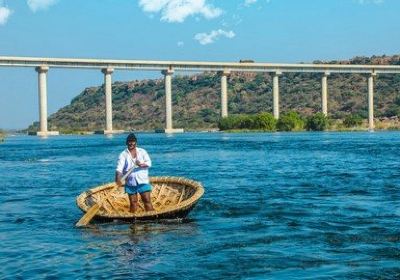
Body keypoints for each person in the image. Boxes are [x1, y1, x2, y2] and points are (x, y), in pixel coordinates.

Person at [115, 133, 155, 213]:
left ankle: (152, 218)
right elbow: (119, 168)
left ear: (136, 143)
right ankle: (133, 222)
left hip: (142, 181)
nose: (131, 143)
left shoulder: (142, 151)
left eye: (133, 141)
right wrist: (117, 179)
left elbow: (149, 163)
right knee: (133, 203)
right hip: (130, 183)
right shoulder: (123, 155)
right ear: (126, 143)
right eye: (129, 141)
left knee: (146, 200)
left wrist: (140, 164)